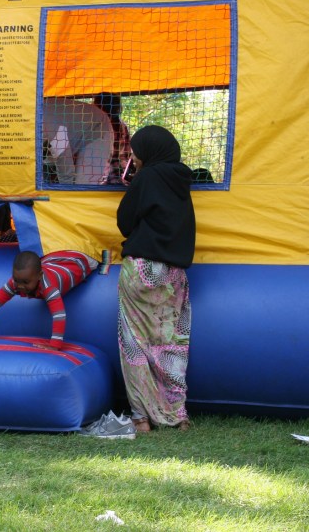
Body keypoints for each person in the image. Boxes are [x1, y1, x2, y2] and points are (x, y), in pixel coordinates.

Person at [116, 125, 196, 433]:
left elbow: (125, 222)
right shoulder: (181, 180)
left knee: (134, 344)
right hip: (174, 275)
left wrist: (136, 178)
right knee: (172, 345)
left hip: (141, 270)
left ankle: (142, 418)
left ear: (147, 152)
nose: (133, 157)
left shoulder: (147, 177)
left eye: (136, 152)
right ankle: (178, 416)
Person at [0, 250, 98, 350]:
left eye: (25, 282)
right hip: (53, 259)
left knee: (93, 262)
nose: (20, 286)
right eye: (17, 280)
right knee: (40, 262)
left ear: (39, 276)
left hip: (78, 261)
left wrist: (54, 346)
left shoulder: (49, 287)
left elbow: (59, 315)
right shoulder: (17, 282)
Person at [42, 97, 113, 185]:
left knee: (83, 184)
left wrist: (66, 192)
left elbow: (65, 169)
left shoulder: (49, 129)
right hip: (72, 130)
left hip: (97, 128)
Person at [93, 93, 132, 185]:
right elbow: (127, 155)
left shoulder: (95, 125)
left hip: (99, 176)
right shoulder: (121, 125)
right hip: (117, 175)